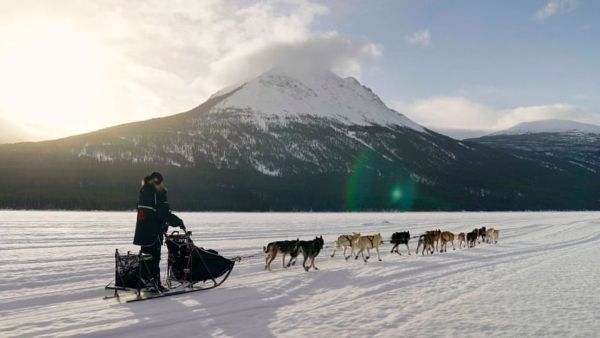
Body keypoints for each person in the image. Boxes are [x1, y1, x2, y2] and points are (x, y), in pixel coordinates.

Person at [133, 172, 185, 292]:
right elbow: (164, 214)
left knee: (146, 257)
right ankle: (155, 285)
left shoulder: (144, 192)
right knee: (155, 258)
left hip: (142, 232)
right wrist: (178, 222)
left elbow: (145, 210)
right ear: (159, 182)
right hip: (153, 232)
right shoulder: (157, 194)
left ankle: (146, 282)